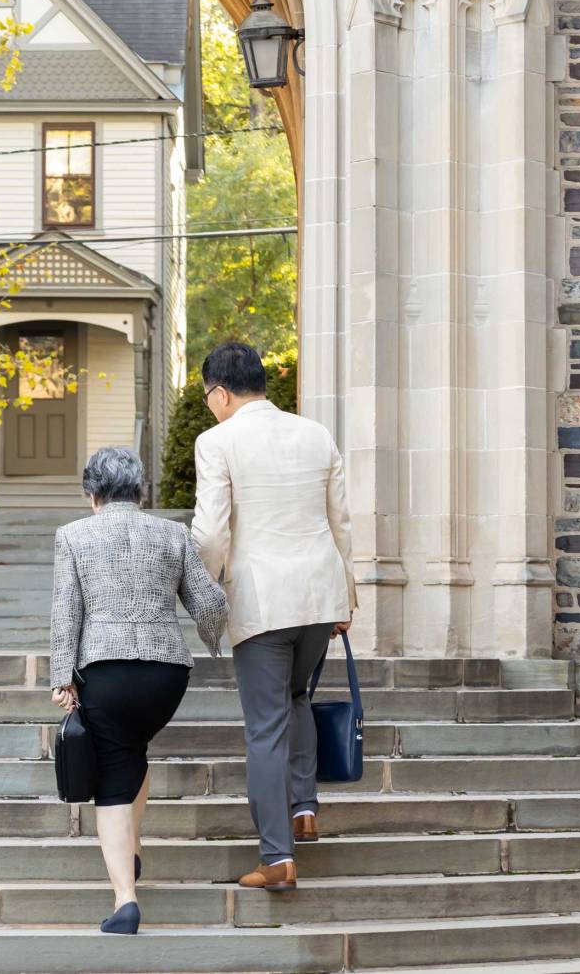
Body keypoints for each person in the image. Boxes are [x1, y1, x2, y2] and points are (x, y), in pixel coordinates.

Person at [189, 341, 354, 892]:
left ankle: (277, 856)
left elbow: (211, 533)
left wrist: (207, 585)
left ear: (219, 392)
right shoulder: (316, 434)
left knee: (264, 728)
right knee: (297, 698)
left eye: (207, 396)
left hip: (262, 600)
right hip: (320, 595)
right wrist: (346, 595)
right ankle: (304, 808)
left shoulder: (216, 441)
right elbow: (341, 522)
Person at [49, 445, 227, 935]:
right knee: (131, 752)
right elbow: (208, 601)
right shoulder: (172, 533)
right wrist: (214, 637)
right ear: (139, 490)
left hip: (106, 670)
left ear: (92, 494)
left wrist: (61, 677)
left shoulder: (73, 536)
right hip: (165, 674)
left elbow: (67, 612)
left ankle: (125, 900)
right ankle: (133, 848)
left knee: (111, 779)